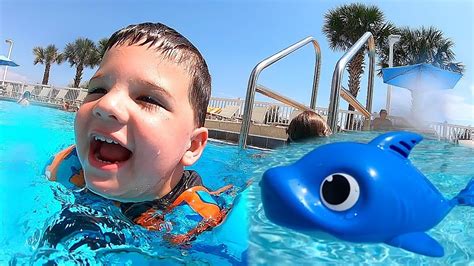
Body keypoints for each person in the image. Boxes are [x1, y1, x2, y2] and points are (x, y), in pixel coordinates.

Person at [44, 23, 233, 247]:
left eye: (148, 99)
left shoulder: (195, 220)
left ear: (191, 146)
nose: (106, 104)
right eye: (98, 89)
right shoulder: (66, 166)